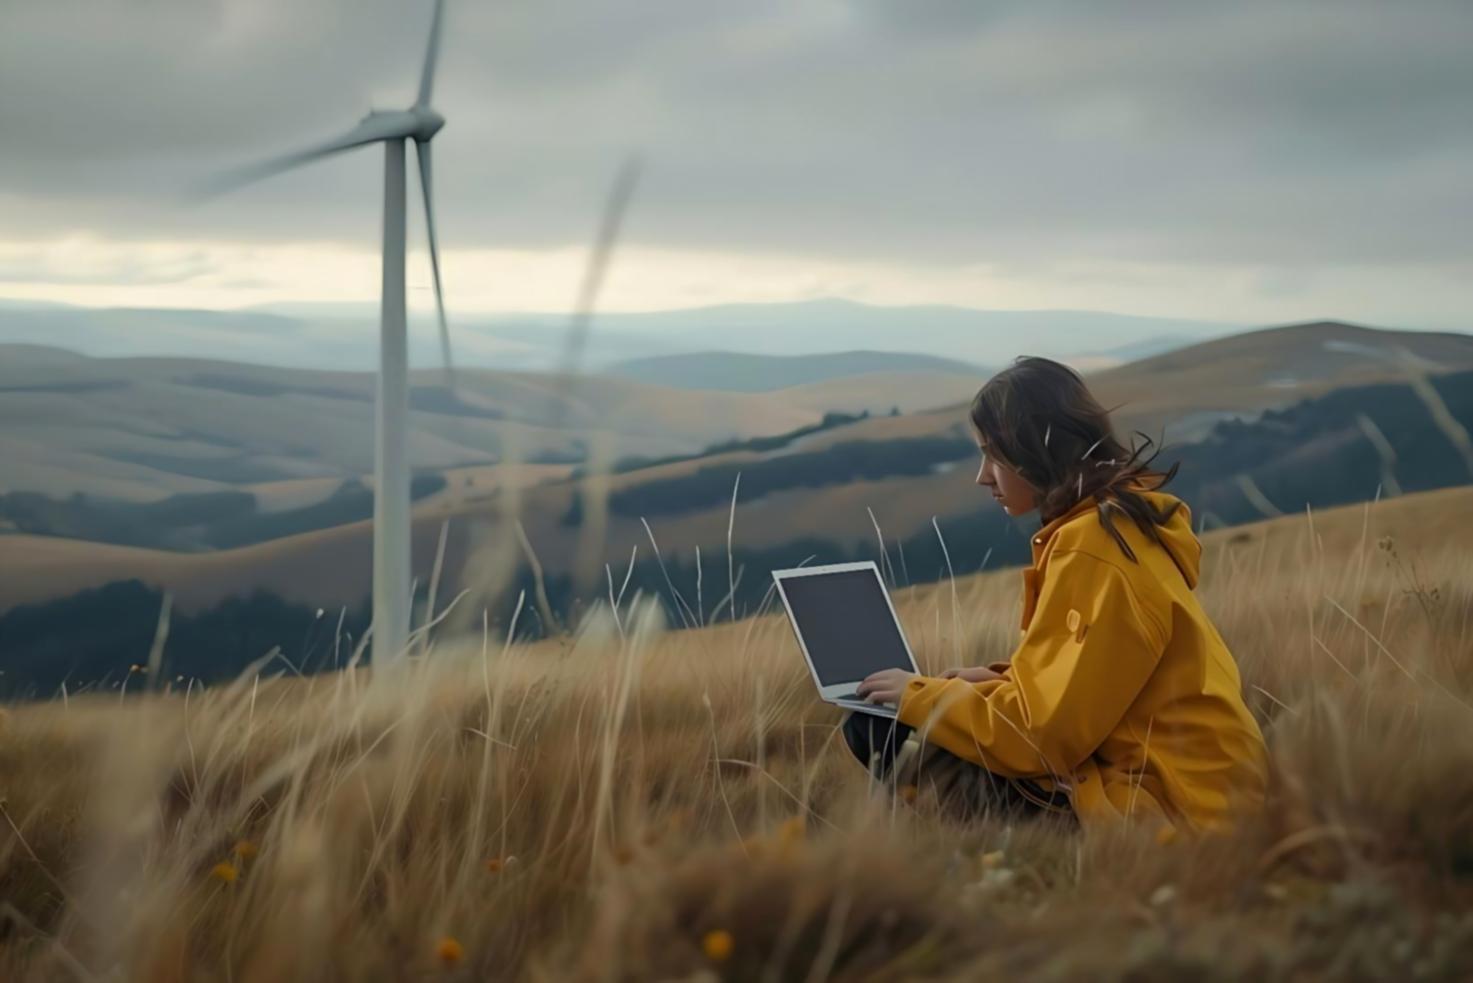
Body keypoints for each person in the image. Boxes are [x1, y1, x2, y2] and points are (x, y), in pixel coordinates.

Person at [851, 357, 1268, 832]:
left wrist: (921, 696)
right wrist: (994, 679)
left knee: (880, 728)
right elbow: (1094, 678)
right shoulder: (1118, 522)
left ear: (1036, 452)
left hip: (1165, 810)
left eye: (994, 455)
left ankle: (1003, 866)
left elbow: (1042, 738)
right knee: (913, 719)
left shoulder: (1094, 546)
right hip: (1205, 795)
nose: (982, 476)